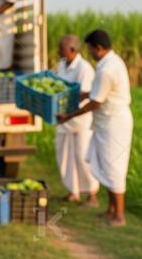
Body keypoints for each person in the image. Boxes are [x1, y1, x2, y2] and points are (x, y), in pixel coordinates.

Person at [57, 30, 133, 227]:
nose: (88, 52)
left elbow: (96, 102)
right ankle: (110, 210)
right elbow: (97, 92)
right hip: (105, 123)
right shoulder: (110, 62)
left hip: (113, 123)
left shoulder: (106, 68)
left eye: (90, 48)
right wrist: (82, 95)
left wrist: (69, 115)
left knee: (114, 167)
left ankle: (119, 216)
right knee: (105, 165)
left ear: (98, 48)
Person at [55, 35, 100, 206]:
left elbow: (84, 96)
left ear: (73, 50)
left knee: (83, 157)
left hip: (79, 120)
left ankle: (92, 194)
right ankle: (73, 191)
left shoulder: (84, 68)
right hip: (63, 119)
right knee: (64, 156)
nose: (59, 51)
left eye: (62, 48)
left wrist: (68, 111)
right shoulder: (61, 65)